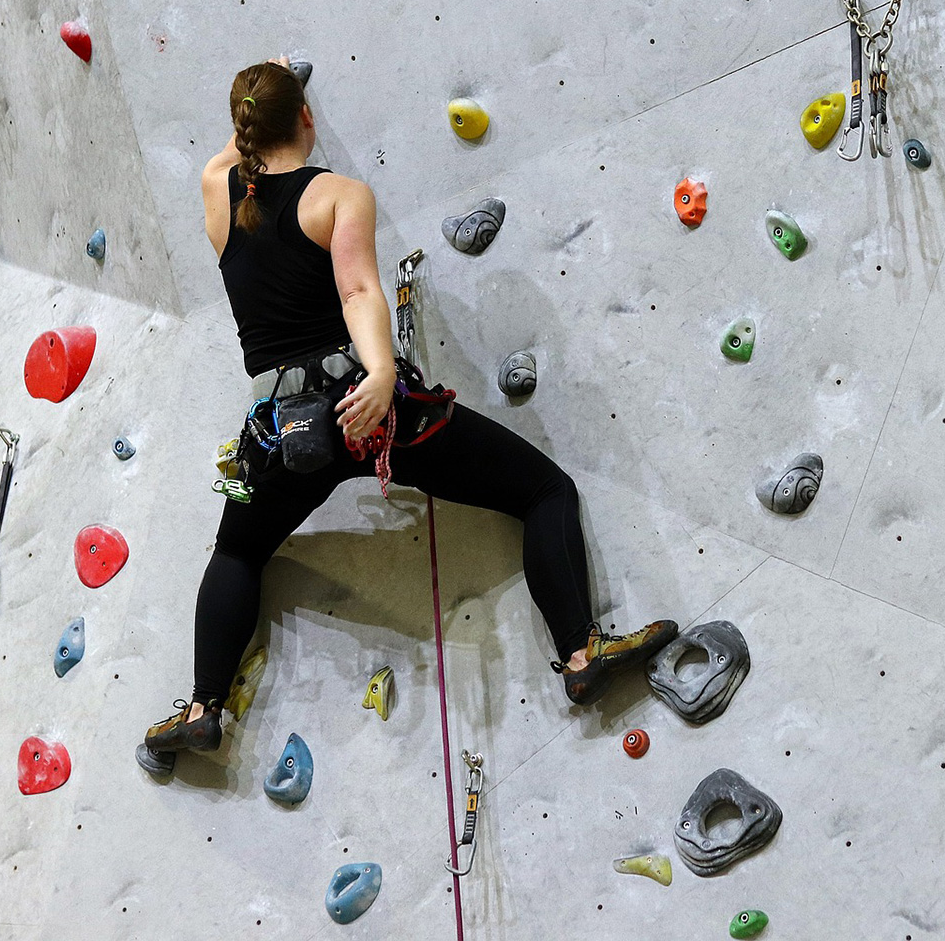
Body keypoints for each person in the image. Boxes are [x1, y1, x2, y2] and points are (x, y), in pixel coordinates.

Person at [142, 58, 676, 758]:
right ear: (306, 117)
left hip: (277, 433)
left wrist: (268, 85)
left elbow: (232, 149)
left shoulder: (218, 190)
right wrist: (385, 371)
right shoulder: (338, 195)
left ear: (242, 126)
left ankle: (203, 707)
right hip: (362, 410)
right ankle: (581, 655)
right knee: (545, 489)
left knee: (238, 550)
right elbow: (360, 293)